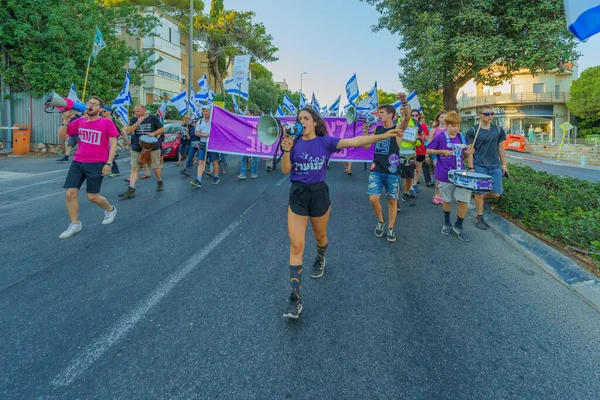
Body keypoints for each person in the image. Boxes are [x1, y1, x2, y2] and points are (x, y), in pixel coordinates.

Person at [281, 94, 407, 320]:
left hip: (319, 194)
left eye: (306, 118)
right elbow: (284, 169)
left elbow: (355, 141)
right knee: (297, 245)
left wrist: (385, 135)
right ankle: (295, 299)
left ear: (316, 122)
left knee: (321, 239)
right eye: (299, 118)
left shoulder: (326, 142)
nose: (302, 121)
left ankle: (320, 257)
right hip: (297, 194)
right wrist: (286, 149)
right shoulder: (294, 142)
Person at [56, 96, 119, 239]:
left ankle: (110, 209)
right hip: (78, 162)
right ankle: (75, 224)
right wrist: (65, 121)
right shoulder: (79, 122)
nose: (90, 105)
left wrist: (109, 163)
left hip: (97, 163)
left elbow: (113, 143)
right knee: (70, 194)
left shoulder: (107, 123)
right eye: (89, 103)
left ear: (100, 109)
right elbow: (61, 135)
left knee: (92, 197)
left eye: (94, 104)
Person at [364, 103, 411, 242]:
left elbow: (407, 117)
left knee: (392, 200)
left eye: (382, 112)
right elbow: (366, 146)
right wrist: (366, 132)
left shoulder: (397, 129)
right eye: (378, 113)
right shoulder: (377, 129)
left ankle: (390, 228)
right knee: (373, 199)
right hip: (376, 169)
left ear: (390, 114)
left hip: (392, 171)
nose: (379, 115)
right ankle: (380, 220)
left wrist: (404, 103)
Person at [426, 111, 474, 241]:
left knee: (463, 200)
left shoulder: (462, 137)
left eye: (458, 126)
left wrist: (471, 165)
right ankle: (447, 223)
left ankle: (459, 226)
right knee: (446, 200)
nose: (456, 128)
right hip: (445, 174)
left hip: (461, 174)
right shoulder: (441, 137)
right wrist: (441, 151)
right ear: (447, 124)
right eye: (453, 126)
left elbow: (467, 154)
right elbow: (429, 150)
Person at [466, 106, 508, 230]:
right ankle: (479, 217)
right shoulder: (473, 131)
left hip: (494, 165)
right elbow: (469, 151)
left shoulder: (498, 130)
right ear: (480, 115)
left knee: (496, 193)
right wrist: (471, 167)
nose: (490, 116)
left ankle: (481, 196)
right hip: (480, 165)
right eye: (487, 114)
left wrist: (504, 165)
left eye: (492, 114)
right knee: (480, 192)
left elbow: (501, 148)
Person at [120, 104, 165, 199]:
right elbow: (128, 132)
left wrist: (153, 133)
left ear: (144, 110)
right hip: (137, 147)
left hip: (152, 147)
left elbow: (162, 129)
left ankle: (159, 181)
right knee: (134, 168)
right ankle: (131, 190)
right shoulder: (134, 119)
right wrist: (137, 122)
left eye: (138, 111)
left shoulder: (152, 118)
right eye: (135, 111)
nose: (136, 113)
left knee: (155, 168)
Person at [190, 106, 220, 187]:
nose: (205, 112)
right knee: (201, 162)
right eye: (204, 111)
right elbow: (196, 132)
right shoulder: (200, 121)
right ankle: (198, 180)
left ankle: (216, 177)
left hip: (212, 144)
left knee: (214, 162)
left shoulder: (213, 121)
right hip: (203, 143)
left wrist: (210, 134)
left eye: (207, 111)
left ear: (210, 112)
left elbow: (217, 132)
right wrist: (204, 135)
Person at [429, 110, 448, 205]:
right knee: (439, 174)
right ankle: (437, 194)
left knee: (446, 175)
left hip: (447, 155)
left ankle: (445, 194)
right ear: (438, 119)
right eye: (441, 117)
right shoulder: (434, 130)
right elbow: (429, 144)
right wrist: (426, 155)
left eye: (445, 117)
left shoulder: (450, 129)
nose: (443, 119)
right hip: (436, 154)